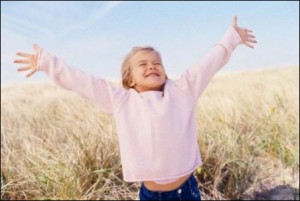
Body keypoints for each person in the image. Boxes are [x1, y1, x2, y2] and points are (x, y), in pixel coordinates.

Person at [14, 16, 256, 200]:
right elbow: (83, 81)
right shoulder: (122, 100)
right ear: (129, 79)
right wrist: (47, 63)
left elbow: (209, 63)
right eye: (143, 64)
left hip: (186, 191)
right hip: (149, 194)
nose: (152, 66)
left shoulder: (183, 90)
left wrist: (231, 37)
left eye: (157, 63)